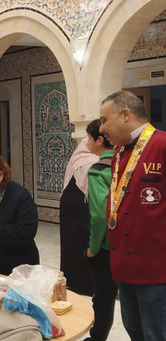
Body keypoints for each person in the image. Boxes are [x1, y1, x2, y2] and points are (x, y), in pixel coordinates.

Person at [99, 90, 166, 341]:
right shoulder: (118, 153)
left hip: (156, 269)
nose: (101, 128)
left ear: (125, 114)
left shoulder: (162, 145)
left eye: (105, 120)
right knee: (135, 332)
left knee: (156, 334)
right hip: (124, 267)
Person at [84, 119, 118, 341]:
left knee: (103, 296)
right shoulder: (124, 164)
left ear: (100, 139)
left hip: (106, 245)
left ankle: (97, 337)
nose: (87, 143)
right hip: (130, 243)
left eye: (89, 138)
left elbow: (98, 216)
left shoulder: (98, 170)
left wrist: (93, 249)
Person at [59, 137, 99, 295]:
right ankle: (88, 284)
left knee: (72, 245)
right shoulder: (93, 162)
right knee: (84, 243)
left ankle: (75, 281)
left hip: (71, 205)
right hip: (83, 207)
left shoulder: (78, 158)